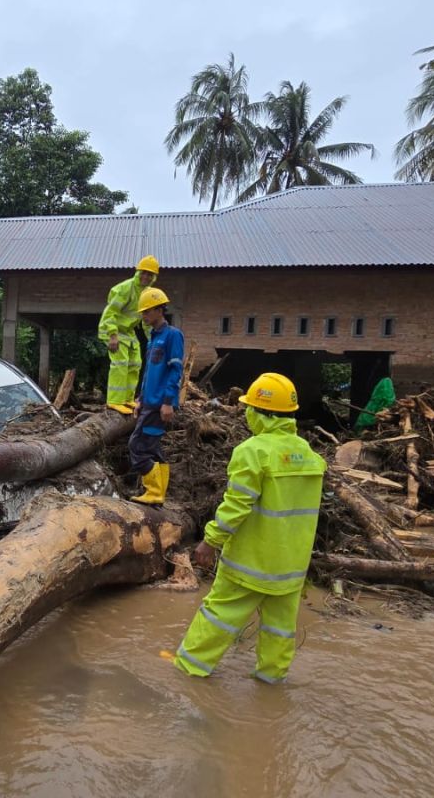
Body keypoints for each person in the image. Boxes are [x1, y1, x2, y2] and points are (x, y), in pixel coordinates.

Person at [174, 373, 327, 684]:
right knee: (279, 630)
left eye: (249, 408)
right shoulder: (309, 456)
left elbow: (237, 506)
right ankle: (270, 683)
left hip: (250, 562)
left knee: (218, 616)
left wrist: (210, 541)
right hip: (291, 568)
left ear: (260, 412)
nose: (245, 413)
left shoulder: (253, 451)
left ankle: (188, 672)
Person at [128, 287, 183, 506]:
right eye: (143, 312)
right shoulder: (153, 338)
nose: (144, 316)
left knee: (138, 446)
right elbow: (149, 373)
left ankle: (154, 492)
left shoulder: (172, 335)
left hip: (161, 403)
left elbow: (175, 370)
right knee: (153, 447)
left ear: (160, 309)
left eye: (148, 311)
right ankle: (159, 493)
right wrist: (140, 399)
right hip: (149, 402)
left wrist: (168, 402)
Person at [98, 255, 159, 414]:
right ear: (138, 272)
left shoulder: (147, 293)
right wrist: (112, 335)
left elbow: (145, 321)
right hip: (112, 329)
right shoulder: (126, 288)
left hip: (127, 331)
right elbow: (110, 313)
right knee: (120, 363)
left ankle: (127, 399)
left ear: (154, 277)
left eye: (150, 274)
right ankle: (114, 401)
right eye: (143, 272)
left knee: (136, 363)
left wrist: (154, 339)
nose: (146, 276)